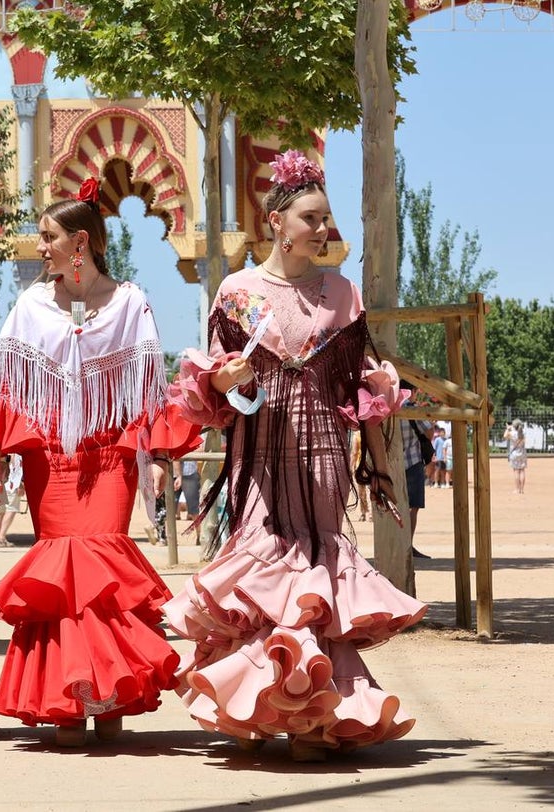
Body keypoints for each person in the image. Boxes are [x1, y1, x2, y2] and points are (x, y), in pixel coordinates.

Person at [163, 150, 427, 762]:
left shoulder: (343, 292)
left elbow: (351, 378)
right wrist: (228, 381)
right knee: (267, 573)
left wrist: (380, 386)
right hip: (261, 456)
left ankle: (313, 716)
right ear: (276, 221)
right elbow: (221, 392)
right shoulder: (237, 291)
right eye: (311, 218)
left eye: (327, 218)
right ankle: (277, 708)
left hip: (323, 457)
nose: (324, 229)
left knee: (313, 578)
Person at [0, 178, 200, 747]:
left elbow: (148, 388)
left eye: (48, 236)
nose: (39, 246)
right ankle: (68, 698)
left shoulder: (130, 303)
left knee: (102, 570)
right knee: (59, 577)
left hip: (108, 458)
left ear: (81, 242)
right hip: (50, 460)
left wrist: (159, 455)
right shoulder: (30, 306)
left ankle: (111, 692)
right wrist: (1, 456)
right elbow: (11, 393)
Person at [402, 416, 433, 559]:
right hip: (412, 461)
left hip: (391, 462)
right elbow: (429, 431)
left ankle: (398, 544)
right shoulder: (412, 409)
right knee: (412, 507)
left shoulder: (387, 404)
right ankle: (407, 545)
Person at [0, 453, 26, 547]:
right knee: (11, 509)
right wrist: (21, 483)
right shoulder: (18, 453)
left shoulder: (3, 451)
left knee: (0, 511)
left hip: (1, 482)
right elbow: (19, 468)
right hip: (13, 484)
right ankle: (1, 537)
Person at [504, 418, 527, 494]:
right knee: (522, 471)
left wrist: (508, 428)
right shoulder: (523, 432)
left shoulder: (512, 433)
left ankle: (517, 489)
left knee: (516, 471)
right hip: (522, 453)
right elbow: (524, 441)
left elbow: (505, 436)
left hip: (514, 454)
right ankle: (522, 489)